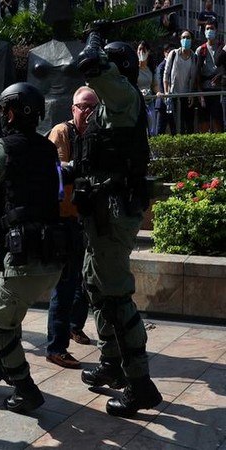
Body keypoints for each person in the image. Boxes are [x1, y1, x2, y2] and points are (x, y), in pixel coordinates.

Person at [73, 28, 163, 417]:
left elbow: (89, 65)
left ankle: (141, 385)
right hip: (100, 212)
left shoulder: (125, 96)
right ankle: (113, 364)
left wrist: (94, 41)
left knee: (115, 294)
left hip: (113, 213)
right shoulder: (113, 107)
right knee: (94, 284)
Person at [0, 82, 65, 414]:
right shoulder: (49, 150)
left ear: (11, 111)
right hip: (52, 255)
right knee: (10, 313)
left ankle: (24, 387)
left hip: (21, 259)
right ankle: (6, 365)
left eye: (4, 110)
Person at [45, 86, 97, 370]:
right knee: (64, 285)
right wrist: (79, 168)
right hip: (63, 220)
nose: (87, 112)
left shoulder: (95, 133)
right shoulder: (61, 132)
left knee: (84, 280)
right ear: (72, 109)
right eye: (82, 107)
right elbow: (53, 168)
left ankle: (75, 326)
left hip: (85, 218)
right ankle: (56, 347)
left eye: (92, 107)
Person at [163, 30, 197, 134]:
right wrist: (166, 92)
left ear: (192, 40)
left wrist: (191, 94)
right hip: (174, 95)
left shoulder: (194, 57)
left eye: (188, 37)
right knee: (178, 126)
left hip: (187, 96)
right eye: (183, 37)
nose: (185, 40)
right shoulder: (173, 54)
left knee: (189, 126)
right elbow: (166, 73)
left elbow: (193, 77)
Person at [196, 18, 224, 133]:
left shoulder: (223, 48)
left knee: (218, 121)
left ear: (217, 30)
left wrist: (222, 76)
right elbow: (196, 74)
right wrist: (200, 93)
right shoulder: (200, 50)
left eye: (212, 28)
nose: (209, 31)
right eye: (207, 29)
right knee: (204, 122)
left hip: (220, 90)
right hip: (205, 90)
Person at [155, 43, 177, 135]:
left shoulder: (175, 65)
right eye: (168, 52)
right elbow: (160, 82)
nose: (171, 54)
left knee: (174, 128)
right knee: (160, 129)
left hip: (173, 101)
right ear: (164, 53)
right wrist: (165, 96)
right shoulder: (161, 66)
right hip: (163, 103)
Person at [136, 41, 157, 135]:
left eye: (144, 50)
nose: (141, 52)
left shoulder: (151, 68)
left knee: (152, 128)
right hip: (136, 100)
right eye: (139, 49)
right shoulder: (133, 67)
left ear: (148, 52)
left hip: (149, 101)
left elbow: (155, 85)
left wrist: (158, 93)